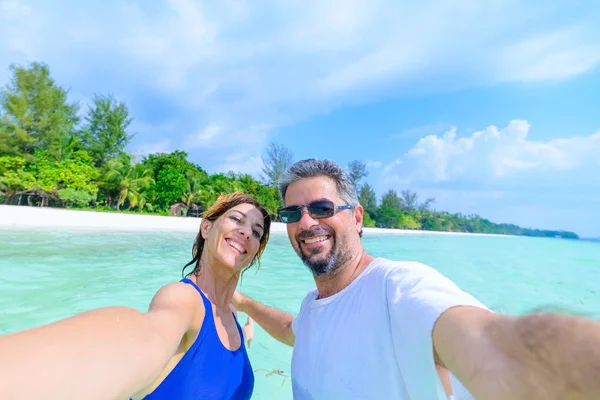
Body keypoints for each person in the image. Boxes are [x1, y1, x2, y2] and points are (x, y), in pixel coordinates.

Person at [232, 158, 600, 400]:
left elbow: (496, 342)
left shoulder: (399, 288)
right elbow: (294, 331)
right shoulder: (313, 307)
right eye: (294, 212)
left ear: (357, 218)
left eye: (322, 208)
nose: (307, 222)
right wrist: (241, 301)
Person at [0, 192, 271, 400]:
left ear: (256, 251)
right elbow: (142, 335)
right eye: (236, 219)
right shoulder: (182, 300)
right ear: (207, 228)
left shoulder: (230, 316)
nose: (246, 231)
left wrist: (246, 327)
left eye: (256, 232)